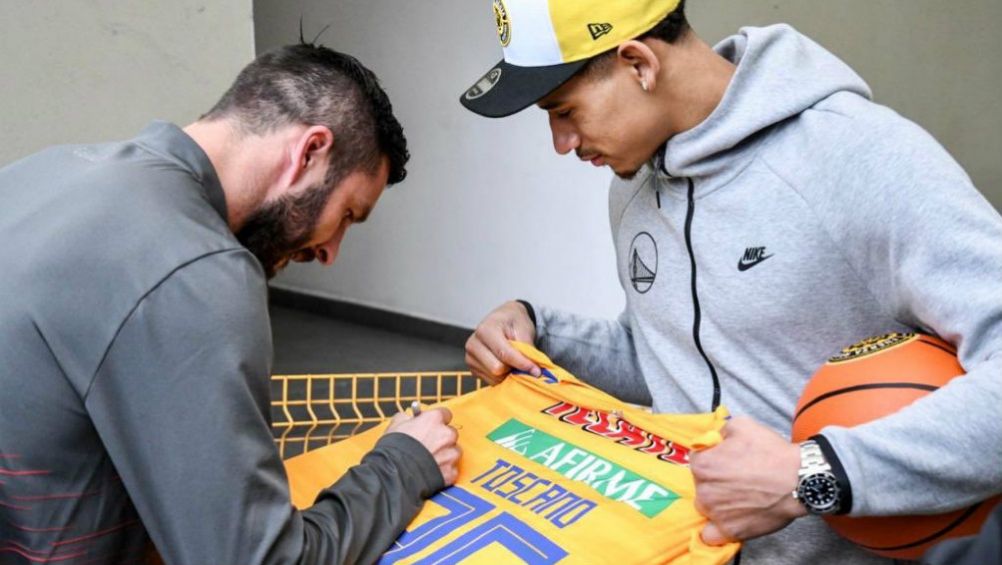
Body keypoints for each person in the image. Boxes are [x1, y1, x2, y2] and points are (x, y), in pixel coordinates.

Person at [460, 1, 1002, 563]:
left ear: (640, 64)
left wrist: (814, 474)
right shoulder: (633, 188)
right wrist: (539, 332)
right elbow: (670, 357)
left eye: (564, 110)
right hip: (689, 549)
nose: (561, 142)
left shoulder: (858, 155)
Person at [0, 43, 460, 564]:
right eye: (349, 214)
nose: (331, 252)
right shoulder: (198, 269)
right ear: (309, 151)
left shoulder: (44, 171)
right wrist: (404, 464)